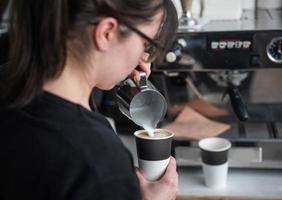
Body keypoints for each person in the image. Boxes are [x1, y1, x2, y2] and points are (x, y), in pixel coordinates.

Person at [0, 0, 178, 199]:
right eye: (146, 43)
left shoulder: (8, 90)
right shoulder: (97, 163)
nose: (144, 60)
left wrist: (105, 65)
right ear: (106, 33)